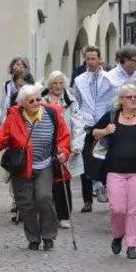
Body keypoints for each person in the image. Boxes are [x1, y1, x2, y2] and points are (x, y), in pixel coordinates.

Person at [0, 84, 72, 251]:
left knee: (44, 198)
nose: (37, 102)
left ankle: (48, 235)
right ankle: (33, 237)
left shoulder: (52, 114)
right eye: (31, 100)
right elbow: (1, 138)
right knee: (25, 203)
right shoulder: (14, 116)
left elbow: (64, 137)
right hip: (22, 166)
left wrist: (63, 152)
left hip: (44, 164)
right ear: (22, 103)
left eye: (38, 99)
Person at [91, 82, 136, 259]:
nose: (132, 100)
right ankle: (117, 234)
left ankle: (132, 244)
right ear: (120, 100)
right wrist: (106, 130)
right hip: (115, 169)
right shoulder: (112, 117)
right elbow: (94, 133)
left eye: (135, 97)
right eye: (128, 97)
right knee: (118, 208)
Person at [71, 46, 113, 213]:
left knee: (107, 160)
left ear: (99, 58)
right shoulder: (80, 80)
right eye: (88, 59)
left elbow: (112, 100)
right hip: (87, 124)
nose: (90, 62)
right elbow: (77, 103)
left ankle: (107, 190)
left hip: (104, 122)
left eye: (93, 58)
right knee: (86, 162)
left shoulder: (109, 78)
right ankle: (87, 200)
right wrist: (79, 123)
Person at [42, 72, 84, 227]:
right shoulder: (41, 100)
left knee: (62, 180)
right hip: (46, 144)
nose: (58, 86)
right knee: (46, 180)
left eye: (60, 83)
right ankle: (47, 213)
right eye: (54, 83)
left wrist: (77, 145)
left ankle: (64, 215)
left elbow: (78, 124)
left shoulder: (70, 102)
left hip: (64, 143)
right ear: (49, 85)